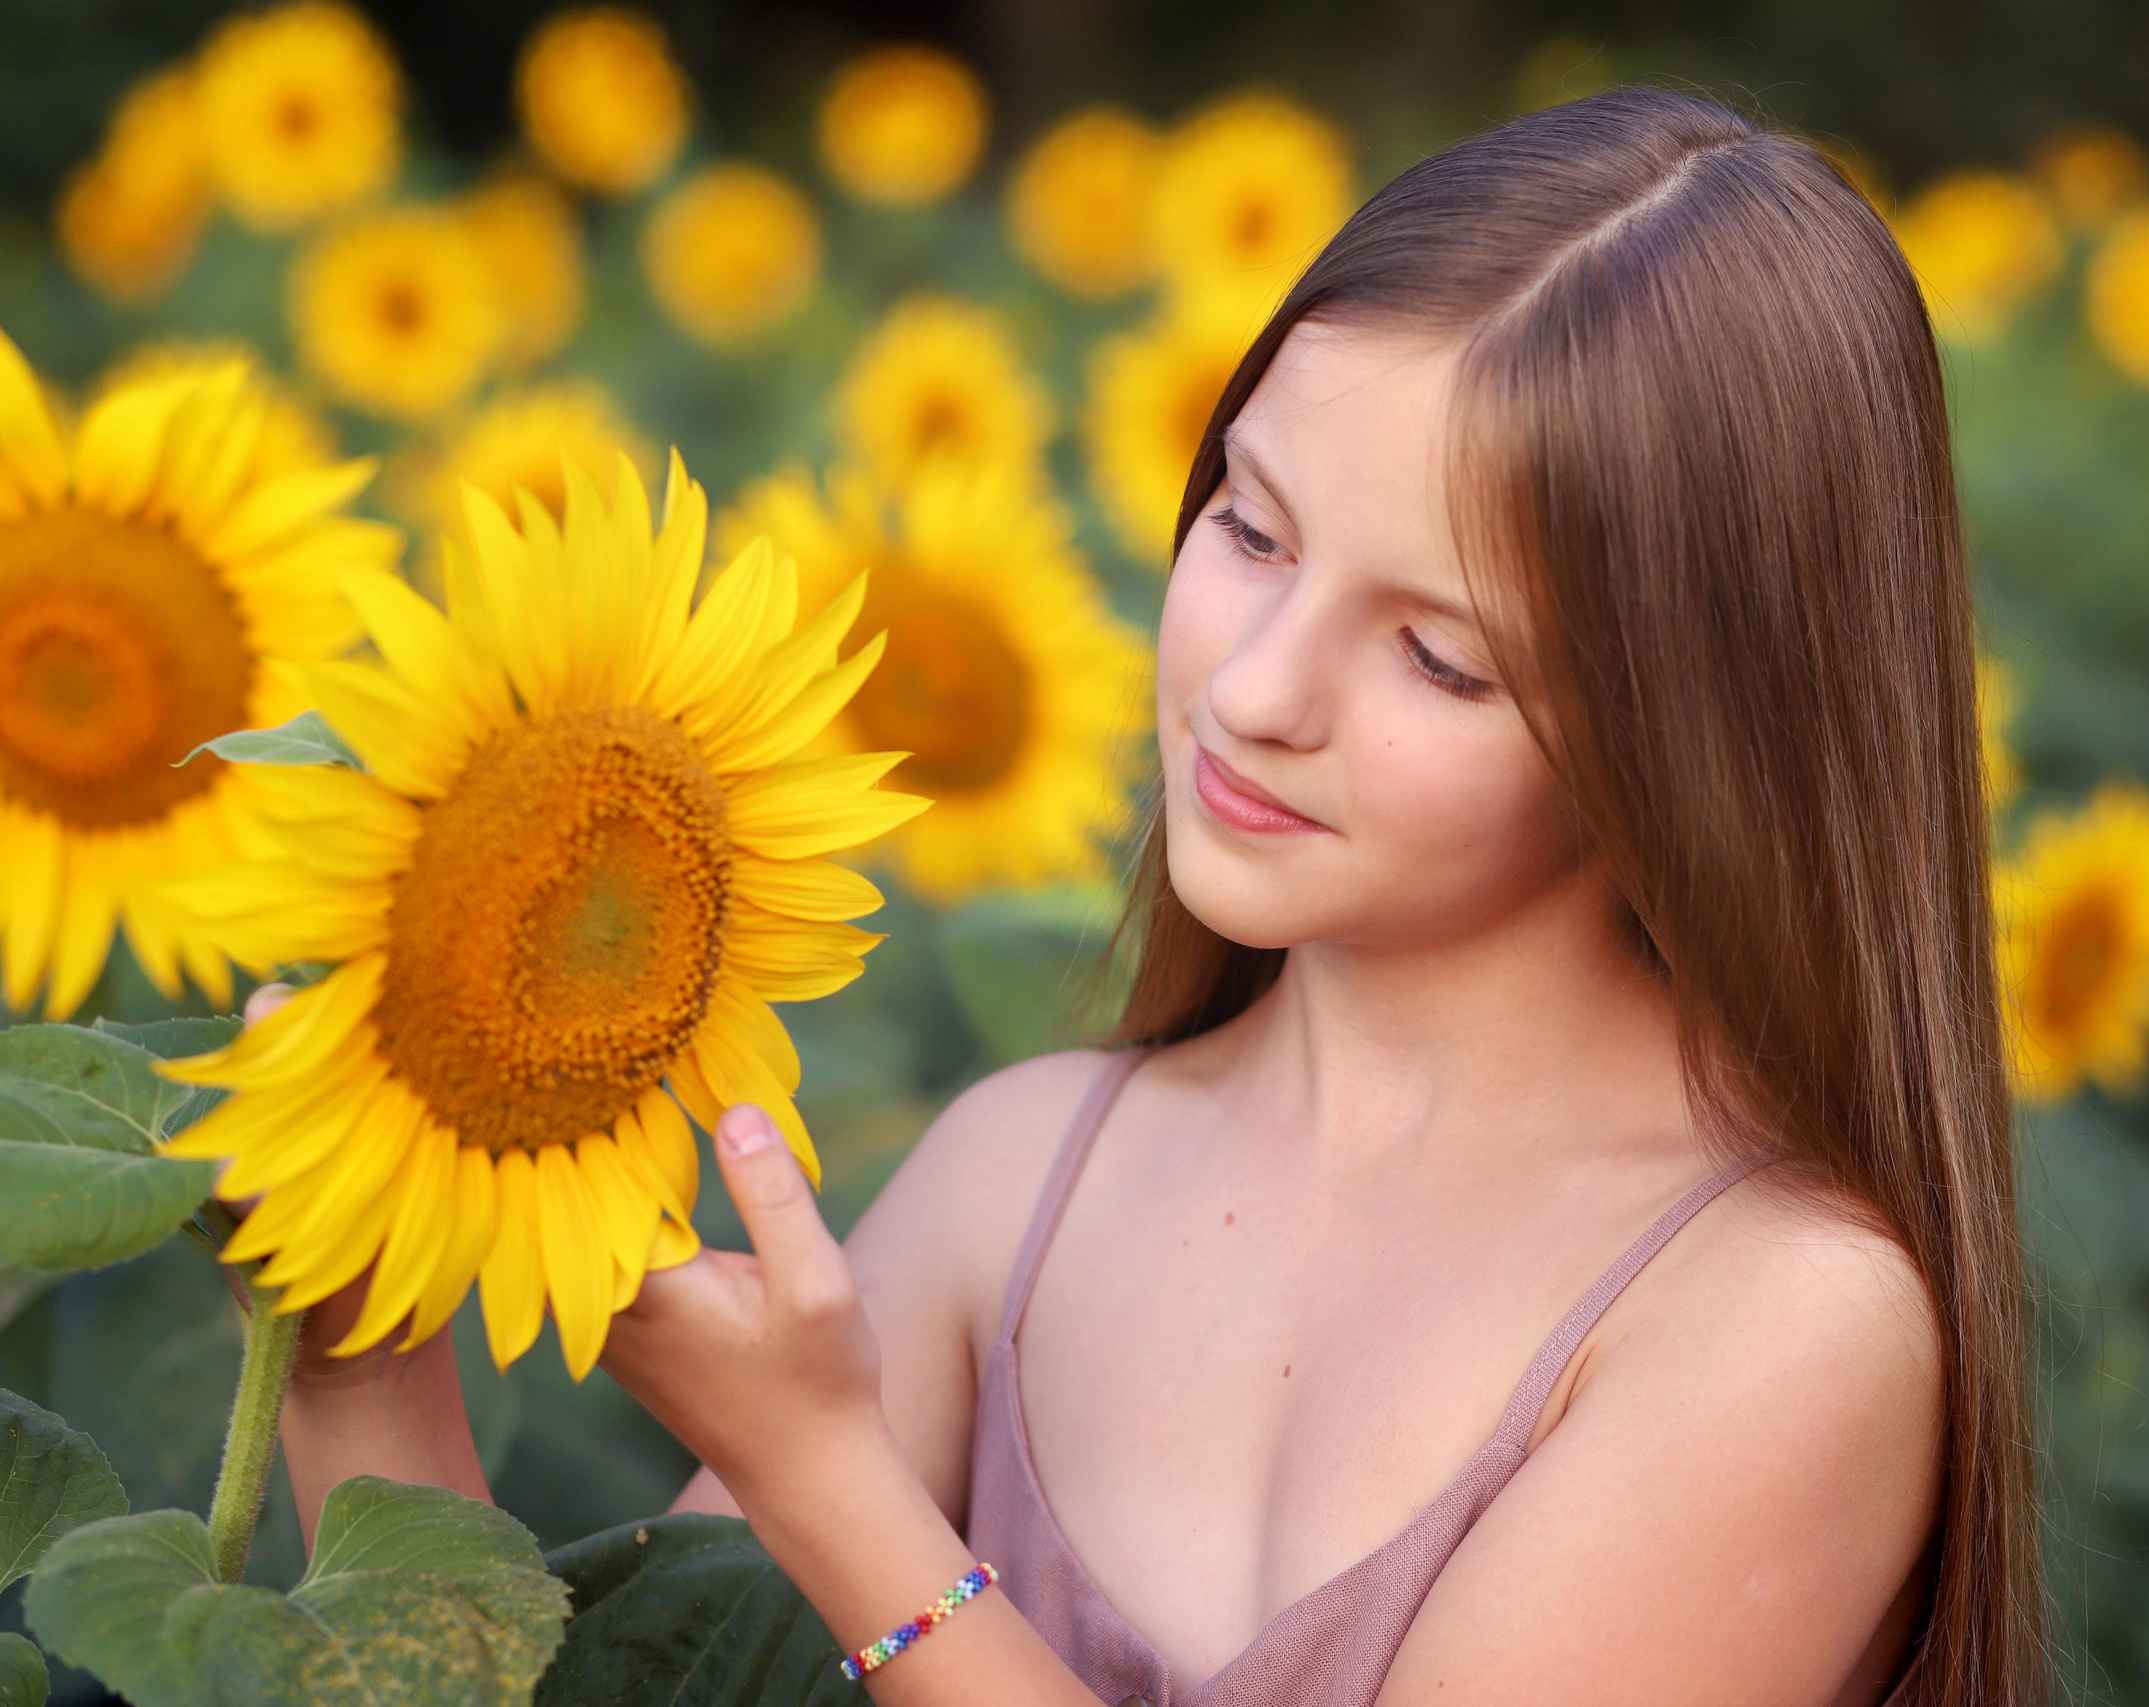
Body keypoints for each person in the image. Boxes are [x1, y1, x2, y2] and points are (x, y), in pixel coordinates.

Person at [267, 85, 2036, 1707]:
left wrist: (830, 1489)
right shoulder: (1019, 1177)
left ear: (1698, 737)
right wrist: (361, 1366)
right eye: (1251, 533)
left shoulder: (1782, 1320)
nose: (1259, 686)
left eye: (1436, 654)